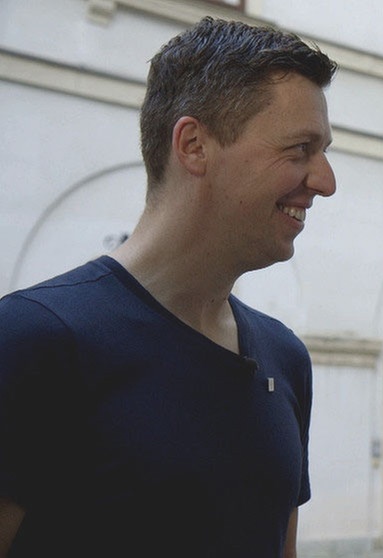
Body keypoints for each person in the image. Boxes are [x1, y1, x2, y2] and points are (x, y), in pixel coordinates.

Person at [0, 17, 338, 557]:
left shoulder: (285, 356)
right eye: (300, 149)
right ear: (194, 145)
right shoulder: (32, 341)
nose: (326, 181)